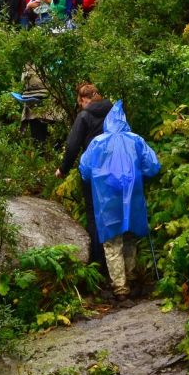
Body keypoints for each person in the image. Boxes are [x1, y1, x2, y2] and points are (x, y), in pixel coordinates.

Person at [79, 101, 161, 301]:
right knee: (130, 236)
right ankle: (132, 277)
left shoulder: (98, 142)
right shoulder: (135, 140)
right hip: (132, 194)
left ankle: (120, 287)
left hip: (107, 198)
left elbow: (85, 170)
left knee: (112, 241)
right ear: (124, 121)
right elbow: (153, 166)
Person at [57, 83, 113, 276]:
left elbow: (72, 146)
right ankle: (120, 265)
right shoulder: (114, 111)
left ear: (83, 100)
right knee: (115, 211)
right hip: (117, 168)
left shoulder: (84, 116)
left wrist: (63, 170)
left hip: (94, 171)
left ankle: (99, 264)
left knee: (95, 214)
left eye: (80, 103)